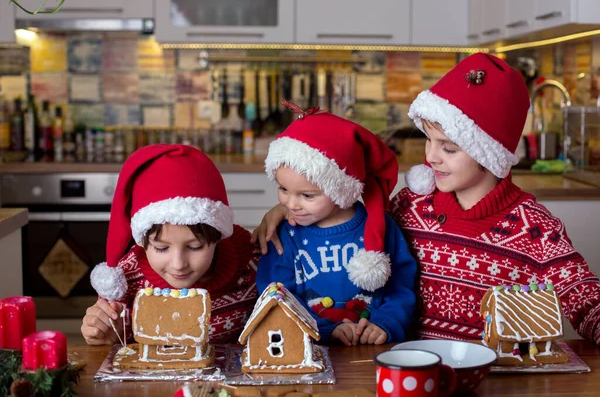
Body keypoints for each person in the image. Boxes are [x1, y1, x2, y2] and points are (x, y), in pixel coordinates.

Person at [253, 53, 600, 344]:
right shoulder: (410, 206)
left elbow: (584, 297)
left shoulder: (534, 227)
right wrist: (287, 207)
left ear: (490, 153)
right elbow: (342, 208)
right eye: (428, 141)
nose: (431, 157)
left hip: (494, 377)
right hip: (412, 371)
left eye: (448, 148)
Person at [256, 103, 417, 346]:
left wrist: (385, 324)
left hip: (373, 352)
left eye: (307, 196)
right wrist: (323, 328)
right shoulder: (285, 235)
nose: (291, 203)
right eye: (283, 189)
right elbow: (276, 296)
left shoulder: (382, 228)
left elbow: (402, 287)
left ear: (341, 189)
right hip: (311, 351)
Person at [81, 144, 259, 345]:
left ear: (218, 236)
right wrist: (106, 335)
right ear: (143, 242)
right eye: (161, 248)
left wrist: (282, 212)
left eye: (195, 247)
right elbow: (116, 341)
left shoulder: (252, 261)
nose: (178, 264)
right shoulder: (126, 282)